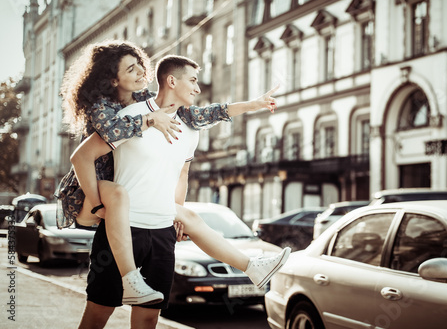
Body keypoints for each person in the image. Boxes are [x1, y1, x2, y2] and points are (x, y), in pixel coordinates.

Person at [57, 42, 288, 313]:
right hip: (92, 193)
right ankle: (130, 278)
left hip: (150, 222)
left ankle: (251, 266)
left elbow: (204, 120)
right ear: (112, 78)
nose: (141, 72)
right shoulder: (110, 109)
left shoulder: (166, 113)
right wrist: (97, 206)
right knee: (117, 197)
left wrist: (253, 104)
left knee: (189, 217)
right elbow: (87, 152)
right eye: (131, 69)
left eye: (140, 66)